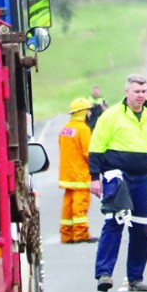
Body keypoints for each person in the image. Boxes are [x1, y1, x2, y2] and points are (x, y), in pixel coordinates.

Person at [87, 75, 147, 292]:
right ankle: (104, 273)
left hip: (141, 176)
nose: (141, 95)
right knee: (115, 221)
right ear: (127, 92)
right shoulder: (111, 116)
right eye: (136, 91)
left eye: (144, 91)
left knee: (140, 227)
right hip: (117, 174)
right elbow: (97, 147)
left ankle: (135, 278)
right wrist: (94, 178)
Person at [56, 97, 95, 243]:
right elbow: (88, 152)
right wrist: (97, 167)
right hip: (80, 174)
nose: (90, 113)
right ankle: (80, 234)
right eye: (88, 110)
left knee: (68, 204)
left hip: (67, 173)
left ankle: (67, 235)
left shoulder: (65, 128)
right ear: (83, 112)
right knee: (80, 204)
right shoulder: (83, 129)